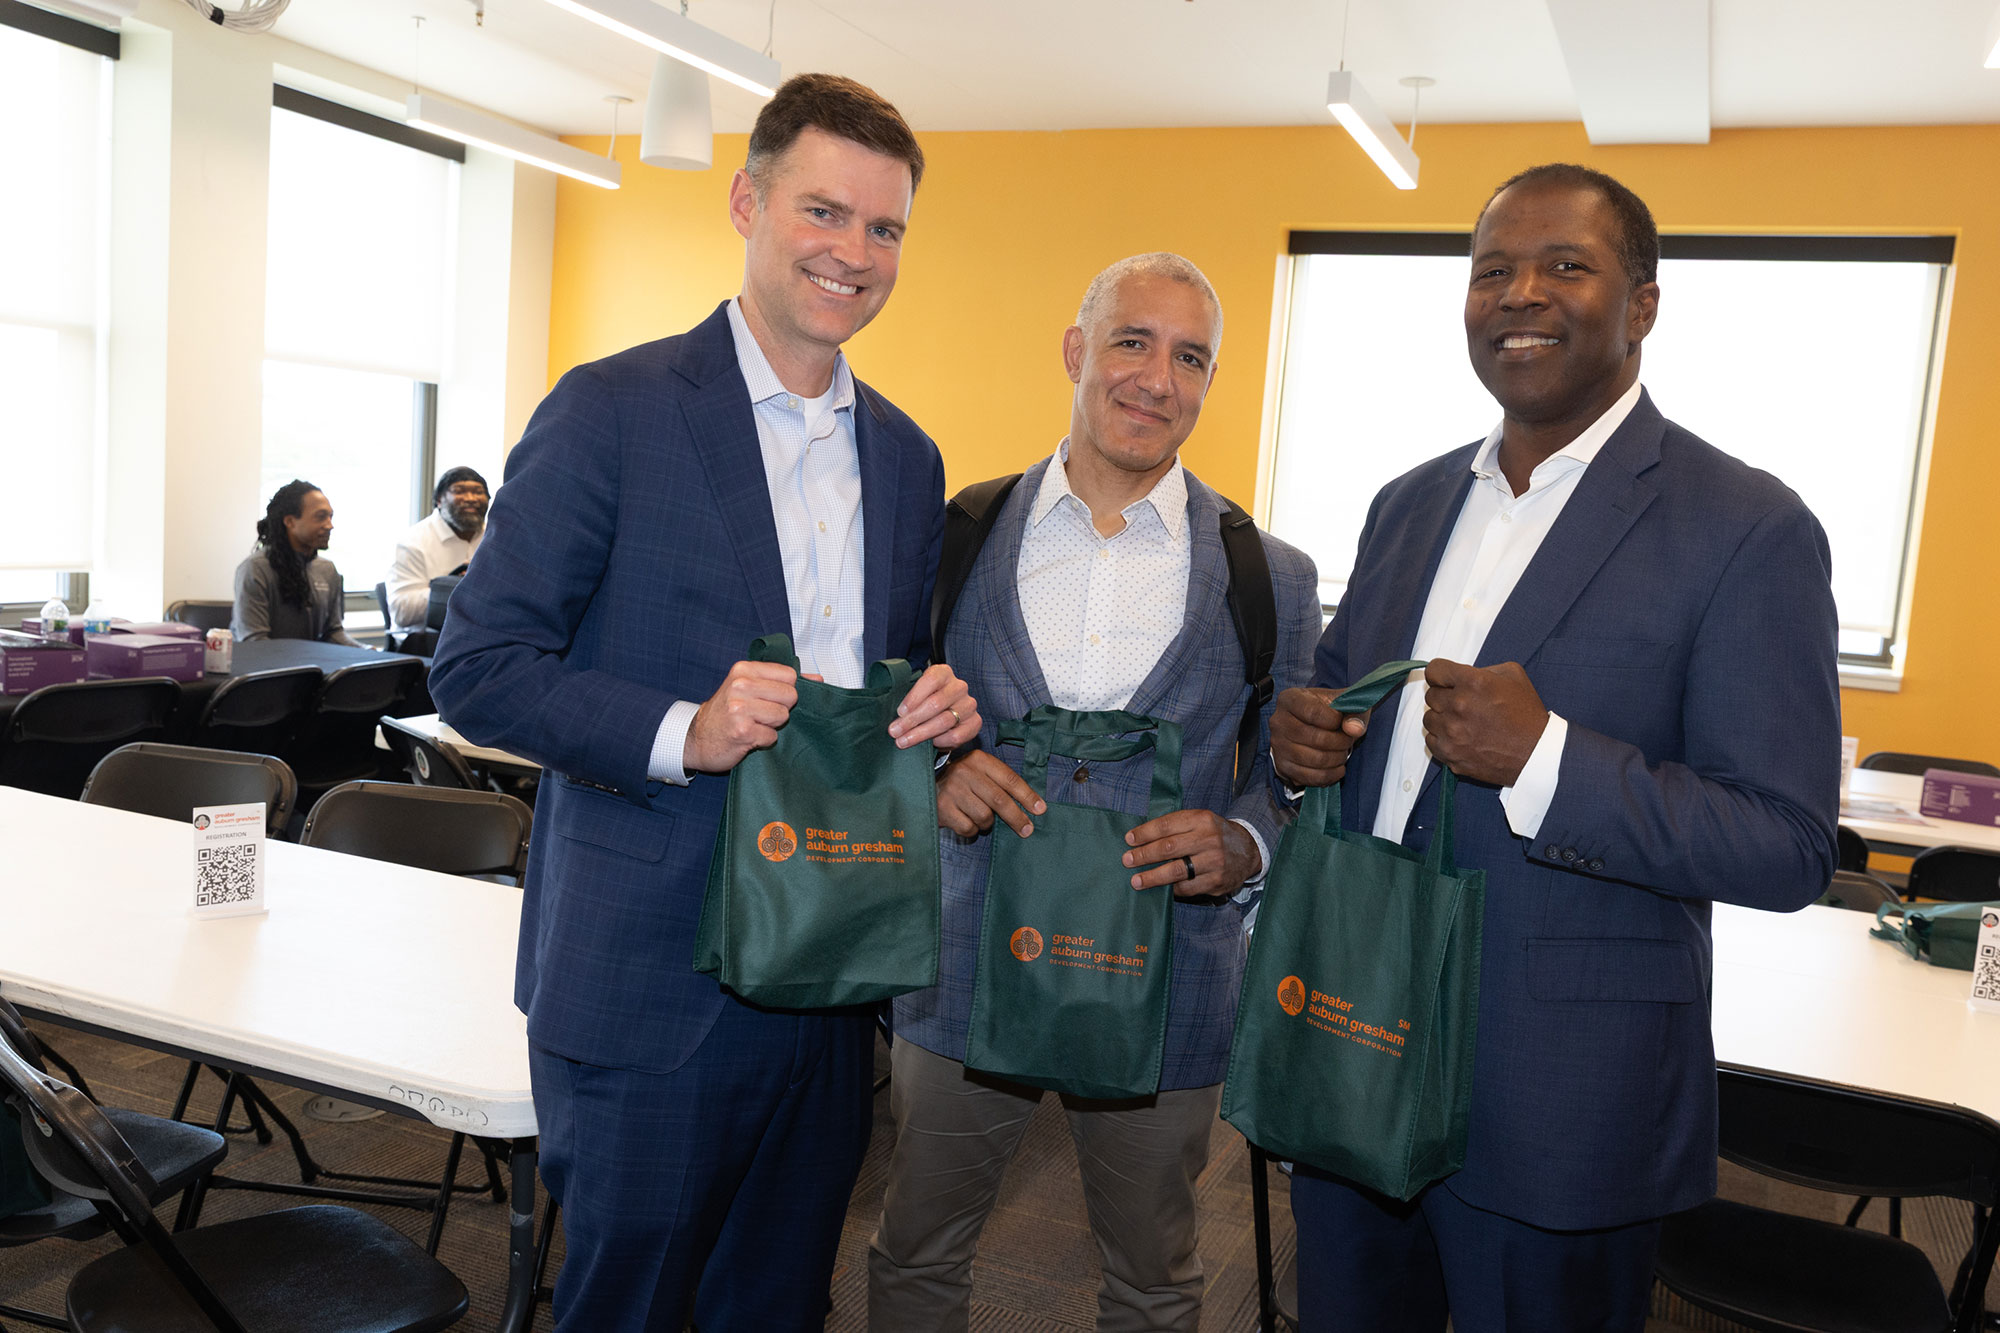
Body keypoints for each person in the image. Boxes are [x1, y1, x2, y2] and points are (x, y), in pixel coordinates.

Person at [428, 74, 979, 1333]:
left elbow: (869, 692)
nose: (853, 252)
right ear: (746, 201)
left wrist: (932, 713)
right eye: (823, 211)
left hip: (830, 979)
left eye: (883, 228)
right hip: (649, 977)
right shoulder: (611, 410)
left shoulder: (904, 456)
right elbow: (477, 665)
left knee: (777, 1306)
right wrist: (687, 728)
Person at [1267, 163, 1840, 1331]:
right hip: (1353, 1043)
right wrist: (1302, 736)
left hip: (1555, 1101)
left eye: (1563, 266)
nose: (1518, 294)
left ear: (1641, 304)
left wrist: (1546, 759)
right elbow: (1339, 699)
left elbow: (1785, 845)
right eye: (1491, 270)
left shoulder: (1747, 528)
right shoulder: (1404, 502)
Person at [868, 254, 1321, 1331]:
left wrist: (1244, 842)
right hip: (960, 953)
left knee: (1156, 1276)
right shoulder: (953, 535)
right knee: (915, 1250)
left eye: (1189, 355)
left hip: (1169, 970)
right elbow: (873, 701)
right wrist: (928, 770)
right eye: (1131, 341)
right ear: (1076, 351)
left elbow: (1295, 773)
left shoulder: (1274, 578)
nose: (1155, 377)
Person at [231, 479, 362, 646]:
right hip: (269, 668)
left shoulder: (327, 570)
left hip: (313, 668)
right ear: (290, 522)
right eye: (321, 517)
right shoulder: (255, 569)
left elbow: (333, 632)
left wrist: (367, 651)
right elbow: (255, 642)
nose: (330, 525)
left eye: (331, 517)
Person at [384, 466, 488, 632]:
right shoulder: (413, 541)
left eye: (478, 491)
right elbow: (401, 612)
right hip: (423, 642)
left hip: (480, 637)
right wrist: (451, 588)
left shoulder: (495, 538)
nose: (470, 498)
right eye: (459, 491)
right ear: (439, 500)